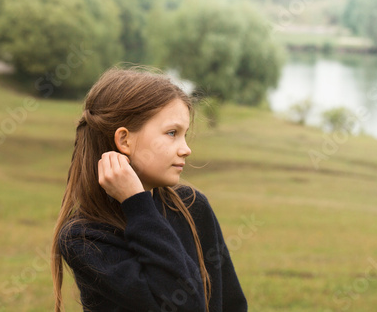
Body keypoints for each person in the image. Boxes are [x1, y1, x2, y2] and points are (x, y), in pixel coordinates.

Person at [51, 66, 248, 312]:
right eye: (172, 133)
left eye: (184, 134)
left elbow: (233, 305)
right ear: (124, 140)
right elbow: (184, 305)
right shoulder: (84, 238)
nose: (186, 149)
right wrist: (138, 204)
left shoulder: (191, 206)